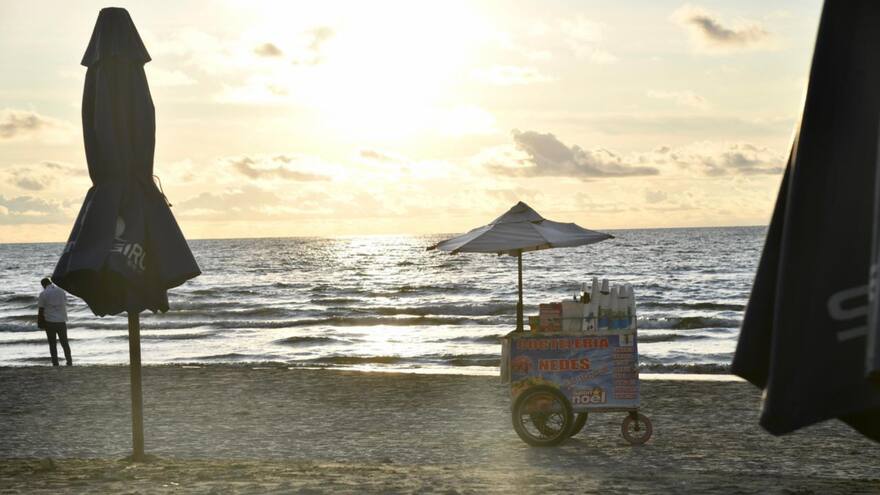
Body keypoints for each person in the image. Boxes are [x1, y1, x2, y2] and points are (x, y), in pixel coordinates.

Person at [37, 277, 72, 366]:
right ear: (50, 282)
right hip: (61, 321)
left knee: (52, 344)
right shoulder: (61, 291)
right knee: (65, 343)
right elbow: (65, 302)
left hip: (50, 322)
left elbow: (41, 309)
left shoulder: (43, 294)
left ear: (43, 285)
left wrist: (39, 322)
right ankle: (69, 361)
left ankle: (55, 363)